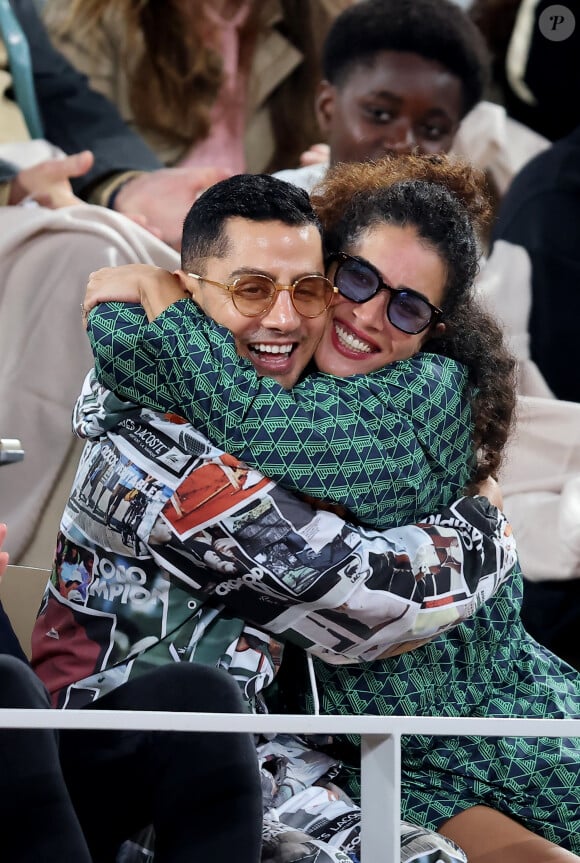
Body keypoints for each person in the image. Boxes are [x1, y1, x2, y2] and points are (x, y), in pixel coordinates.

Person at [84, 164, 580, 861]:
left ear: (436, 329)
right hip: (363, 752)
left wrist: (159, 300)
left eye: (408, 307)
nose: (369, 314)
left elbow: (262, 426)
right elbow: (124, 356)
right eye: (354, 280)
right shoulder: (283, 354)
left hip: (497, 721)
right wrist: (151, 303)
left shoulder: (424, 394)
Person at [43, 0, 352, 175]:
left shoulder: (329, 22)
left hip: (269, 253)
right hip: (144, 244)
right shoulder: (89, 19)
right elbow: (82, 157)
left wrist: (335, 174)